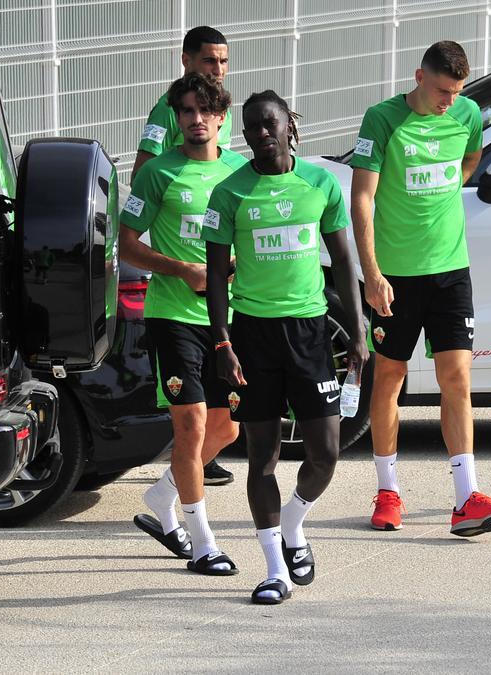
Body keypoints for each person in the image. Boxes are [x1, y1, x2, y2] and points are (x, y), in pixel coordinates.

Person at [204, 90, 367, 604]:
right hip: (252, 335)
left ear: (289, 125)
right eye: (251, 127)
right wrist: (221, 341)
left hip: (311, 333)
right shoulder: (228, 193)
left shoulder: (320, 182)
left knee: (325, 453)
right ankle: (274, 568)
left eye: (269, 124)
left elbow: (343, 261)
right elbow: (213, 277)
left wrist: (358, 332)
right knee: (262, 457)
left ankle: (295, 523)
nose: (260, 134)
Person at [350, 41, 491, 536]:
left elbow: (470, 160)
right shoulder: (381, 119)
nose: (450, 100)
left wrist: (443, 198)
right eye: (443, 89)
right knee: (390, 379)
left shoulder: (466, 113)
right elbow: (362, 198)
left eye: (457, 91)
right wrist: (372, 272)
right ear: (419, 76)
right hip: (396, 276)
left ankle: (467, 497)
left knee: (457, 379)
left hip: (451, 270)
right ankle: (387, 490)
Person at [121, 73, 248, 575]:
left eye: (204, 112)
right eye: (186, 112)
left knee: (228, 429)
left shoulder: (242, 171)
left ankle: (162, 495)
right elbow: (127, 245)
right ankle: (202, 544)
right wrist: (184, 270)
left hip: (232, 317)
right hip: (173, 315)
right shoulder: (157, 174)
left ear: (221, 118)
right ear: (177, 119)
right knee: (191, 425)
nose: (195, 121)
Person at [132, 25, 231, 179]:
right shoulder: (168, 108)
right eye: (210, 61)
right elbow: (140, 177)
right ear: (186, 61)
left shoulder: (222, 105)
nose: (218, 70)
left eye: (223, 61)